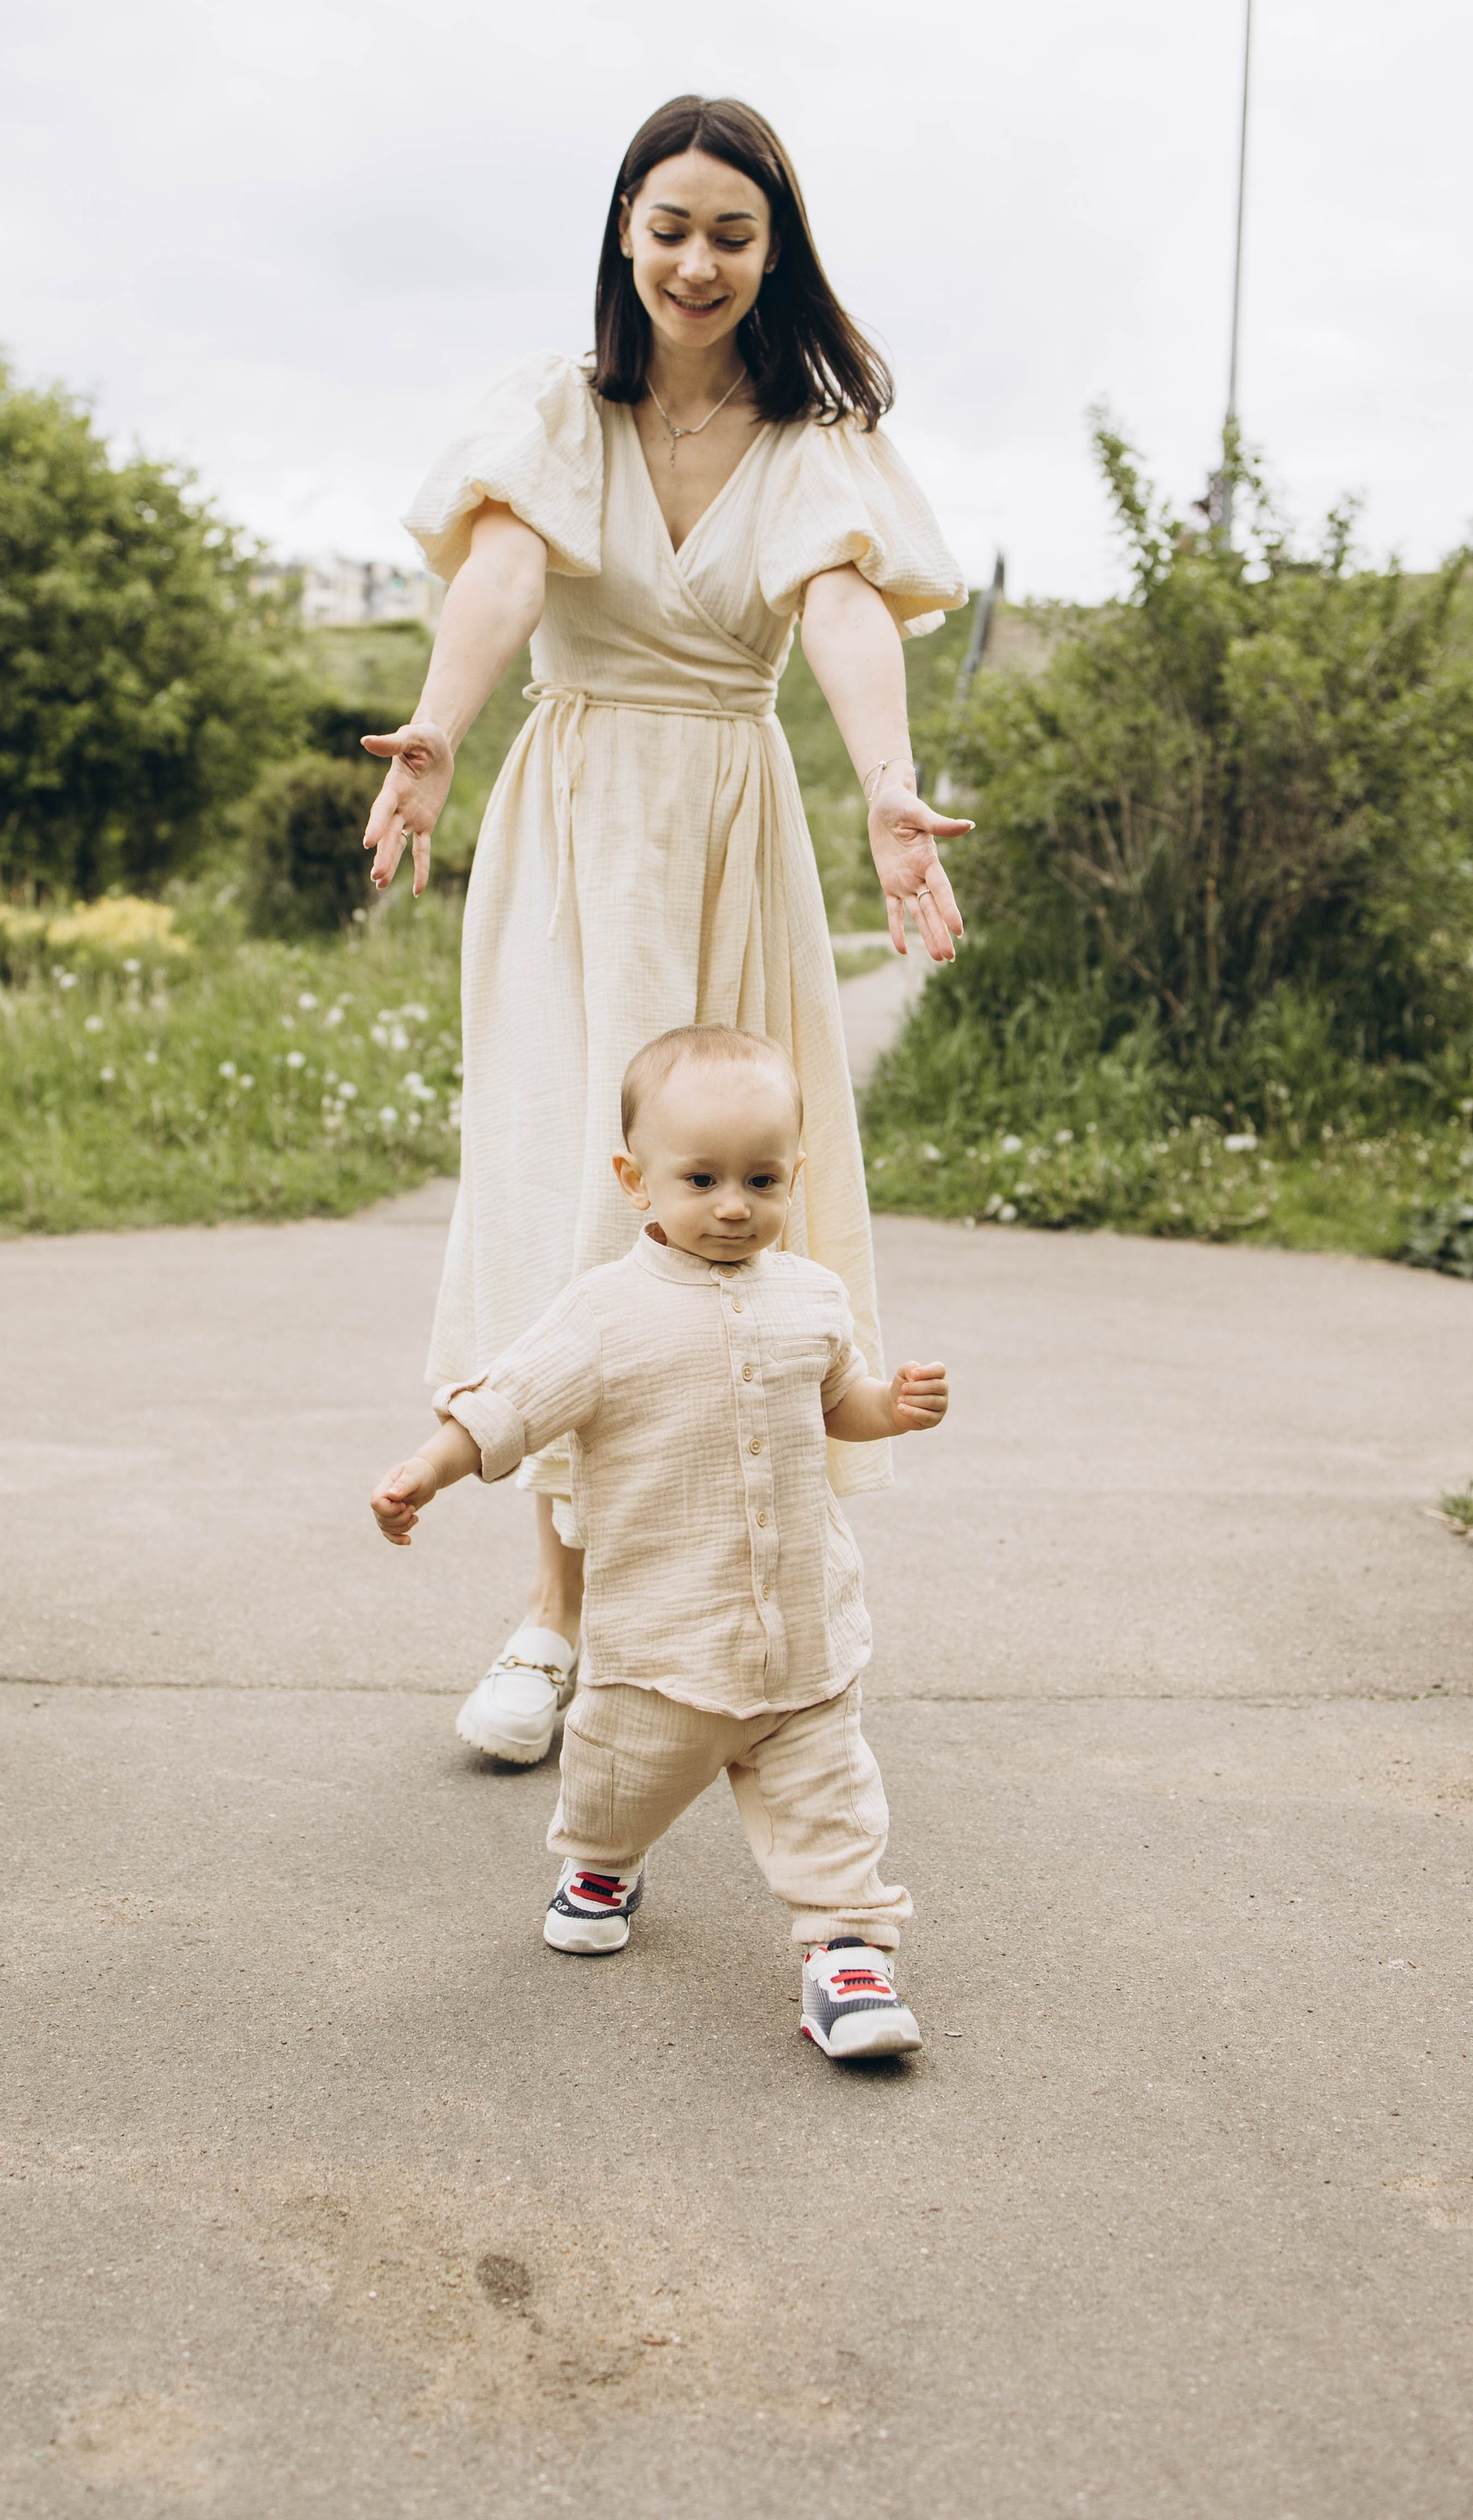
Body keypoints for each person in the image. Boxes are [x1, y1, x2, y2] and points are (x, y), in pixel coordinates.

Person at [362, 93, 968, 1766]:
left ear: (772, 252)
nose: (695, 260)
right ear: (622, 233)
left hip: (728, 824)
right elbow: (495, 578)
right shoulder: (554, 410)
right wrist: (436, 730)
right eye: (669, 225)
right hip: (570, 837)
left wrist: (890, 790)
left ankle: (732, 1609)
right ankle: (553, 1625)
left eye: (732, 232)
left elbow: (839, 607)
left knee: (735, 1203)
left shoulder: (810, 437)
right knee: (583, 1197)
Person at [370, 1025, 949, 2060]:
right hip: (660, 1640)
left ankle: (848, 1952)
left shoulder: (813, 1297)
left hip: (805, 1638)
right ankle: (602, 1864)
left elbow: (835, 1406)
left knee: (832, 1797)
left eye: (762, 1179)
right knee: (617, 1779)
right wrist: (428, 1467)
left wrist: (889, 1409)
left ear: (794, 1176)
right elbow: (509, 1404)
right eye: (702, 1179)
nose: (734, 1204)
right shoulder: (604, 1311)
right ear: (637, 1180)